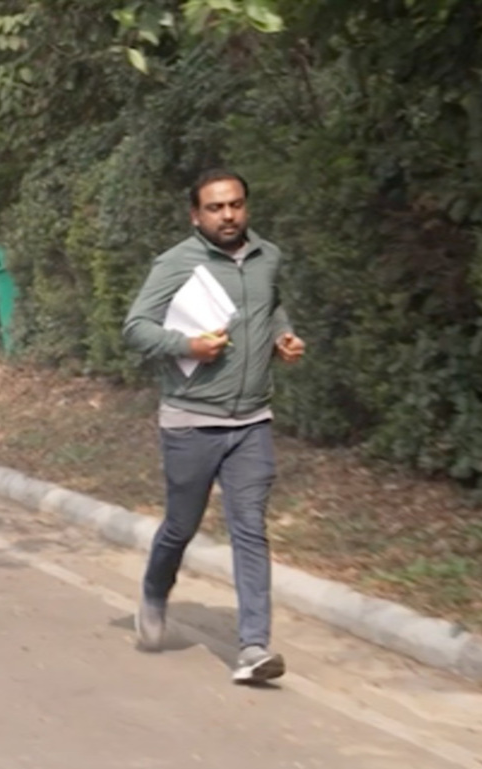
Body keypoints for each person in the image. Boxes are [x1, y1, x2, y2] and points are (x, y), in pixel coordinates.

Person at [124, 168, 305, 684]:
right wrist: (188, 347)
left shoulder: (267, 257)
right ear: (196, 215)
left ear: (246, 207)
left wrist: (284, 337)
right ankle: (155, 595)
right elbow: (136, 327)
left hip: (252, 420)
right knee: (180, 526)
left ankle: (253, 648)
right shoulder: (176, 262)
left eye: (236, 205)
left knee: (250, 529)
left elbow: (270, 308)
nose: (228, 215)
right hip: (191, 421)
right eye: (216, 208)